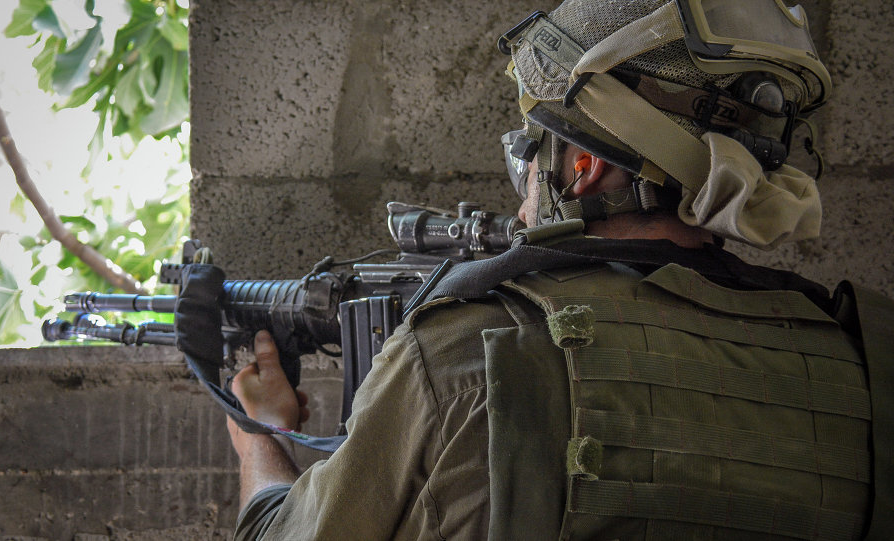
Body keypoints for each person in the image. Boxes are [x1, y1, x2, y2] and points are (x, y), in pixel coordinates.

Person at [225, 1, 892, 539]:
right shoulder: (869, 363)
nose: (519, 196)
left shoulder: (459, 357)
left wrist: (263, 433)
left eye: (527, 157)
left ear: (584, 165)